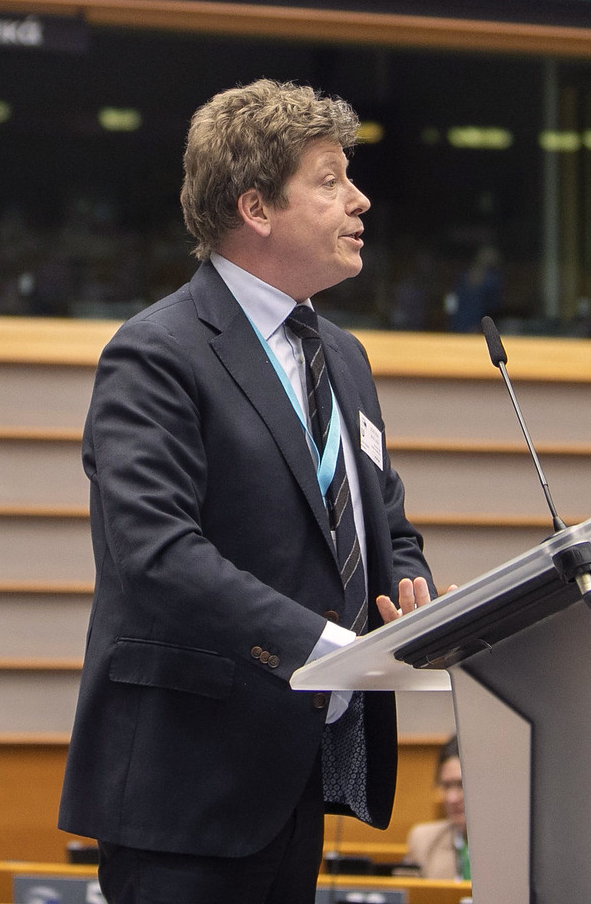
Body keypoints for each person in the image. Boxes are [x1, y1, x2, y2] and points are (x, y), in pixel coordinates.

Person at [59, 80, 438, 904]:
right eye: (331, 178)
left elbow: (386, 525)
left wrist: (415, 597)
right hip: (184, 790)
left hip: (295, 781)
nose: (360, 198)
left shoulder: (342, 357)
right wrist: (320, 650)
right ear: (257, 207)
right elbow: (156, 556)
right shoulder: (156, 354)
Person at [402, 737, 469, 881]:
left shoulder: (513, 846)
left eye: (461, 785)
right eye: (446, 786)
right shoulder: (423, 841)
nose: (452, 798)